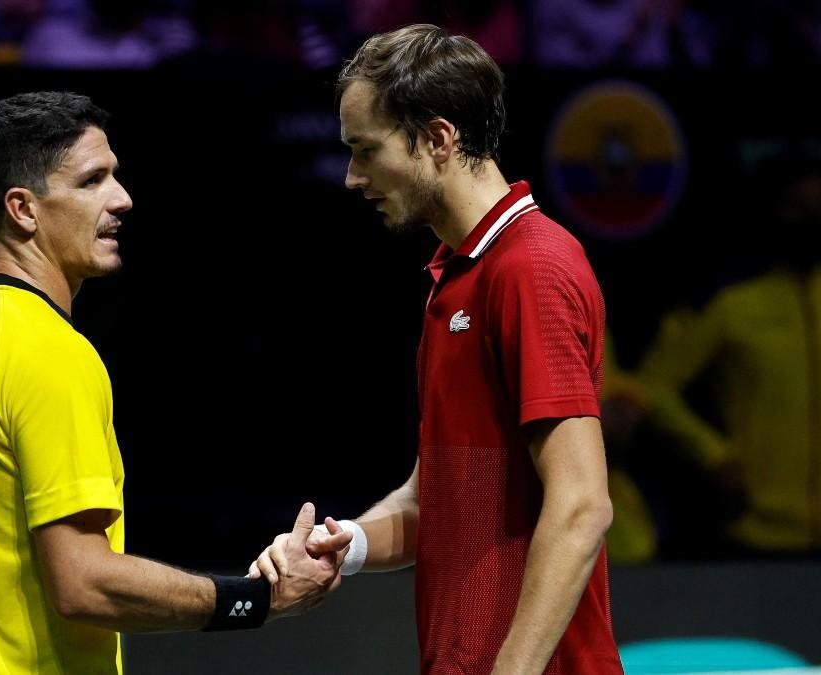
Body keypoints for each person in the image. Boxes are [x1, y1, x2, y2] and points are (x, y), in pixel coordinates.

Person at [0, 91, 349, 674]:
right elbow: (84, 584)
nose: (123, 198)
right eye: (92, 181)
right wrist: (255, 599)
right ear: (23, 209)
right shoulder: (50, 353)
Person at [251, 25, 622, 673]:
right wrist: (348, 543)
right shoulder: (452, 277)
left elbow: (582, 503)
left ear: (438, 139)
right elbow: (441, 499)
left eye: (366, 150)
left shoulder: (532, 268)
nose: (351, 176)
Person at [636, 152, 821, 557]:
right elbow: (651, 385)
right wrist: (713, 454)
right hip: (756, 532)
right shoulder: (734, 304)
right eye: (797, 207)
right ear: (773, 213)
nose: (809, 219)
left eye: (817, 207)